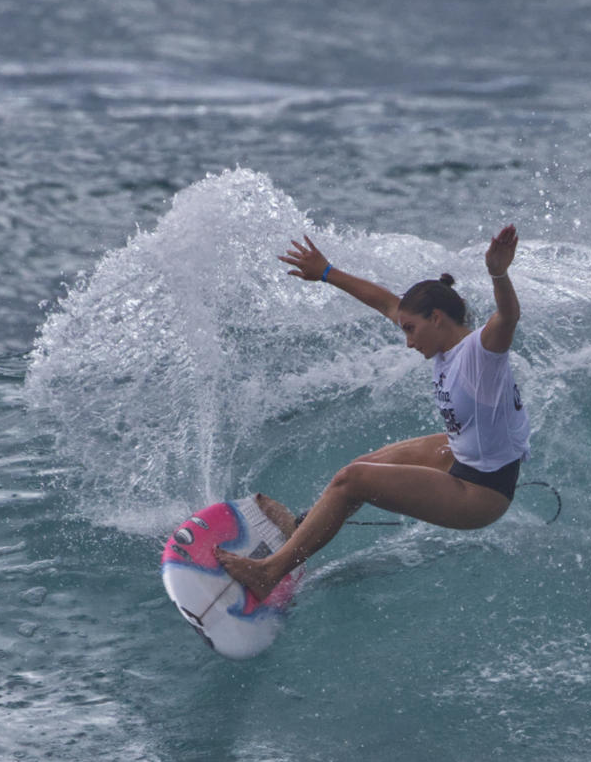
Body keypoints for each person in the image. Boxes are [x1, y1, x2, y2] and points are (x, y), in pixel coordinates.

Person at [216, 224, 531, 597]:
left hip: (481, 491)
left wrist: (498, 271)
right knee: (369, 464)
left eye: (411, 330)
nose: (408, 341)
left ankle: (269, 572)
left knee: (354, 480)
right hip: (465, 454)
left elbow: (508, 316)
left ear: (437, 318)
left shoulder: (480, 354)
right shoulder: (445, 346)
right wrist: (327, 273)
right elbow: (385, 302)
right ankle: (300, 527)